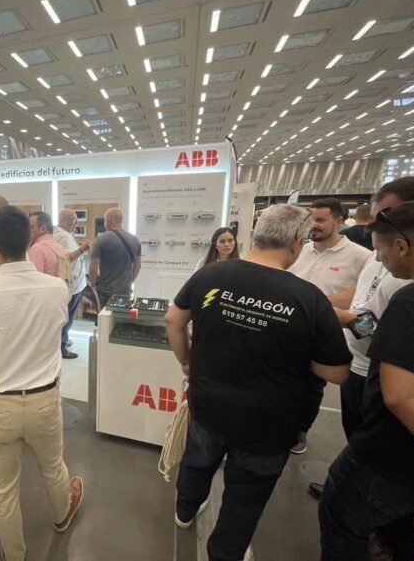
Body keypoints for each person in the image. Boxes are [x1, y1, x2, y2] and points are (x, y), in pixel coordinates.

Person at [165, 204, 351, 561]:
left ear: (256, 235)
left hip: (208, 404)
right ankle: (224, 553)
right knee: (245, 497)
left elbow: (173, 321)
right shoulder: (309, 297)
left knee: (197, 462)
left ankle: (184, 511)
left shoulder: (210, 274)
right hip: (268, 423)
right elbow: (337, 372)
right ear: (297, 242)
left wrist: (187, 361)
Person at [319, 199, 414, 561]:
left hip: (395, 450)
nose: (379, 258)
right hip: (373, 386)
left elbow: (400, 394)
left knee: (343, 516)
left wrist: (343, 318)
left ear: (402, 244)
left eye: (381, 250)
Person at [0, 206, 83, 561]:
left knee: (2, 489)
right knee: (53, 466)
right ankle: (61, 515)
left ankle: (13, 553)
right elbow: (57, 328)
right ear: (30, 240)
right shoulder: (56, 288)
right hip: (44, 400)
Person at [288, 198, 373, 454]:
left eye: (320, 220)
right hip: (291, 330)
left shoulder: (361, 257)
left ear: (339, 221)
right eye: (310, 220)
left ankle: (300, 430)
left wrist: (318, 304)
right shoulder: (300, 250)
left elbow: (362, 295)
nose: (313, 225)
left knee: (313, 385)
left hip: (328, 335)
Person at [53, 209, 91, 359]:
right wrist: (82, 249)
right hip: (71, 286)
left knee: (68, 316)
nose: (77, 222)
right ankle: (62, 346)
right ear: (63, 221)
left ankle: (64, 339)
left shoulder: (64, 234)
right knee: (67, 317)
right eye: (73, 220)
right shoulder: (62, 236)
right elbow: (65, 259)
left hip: (75, 284)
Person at [88, 208, 141, 309]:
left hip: (105, 292)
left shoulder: (100, 239)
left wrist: (93, 285)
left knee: (105, 317)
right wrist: (130, 282)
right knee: (121, 315)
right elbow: (138, 266)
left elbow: (93, 268)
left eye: (105, 221)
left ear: (109, 222)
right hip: (125, 291)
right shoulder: (135, 240)